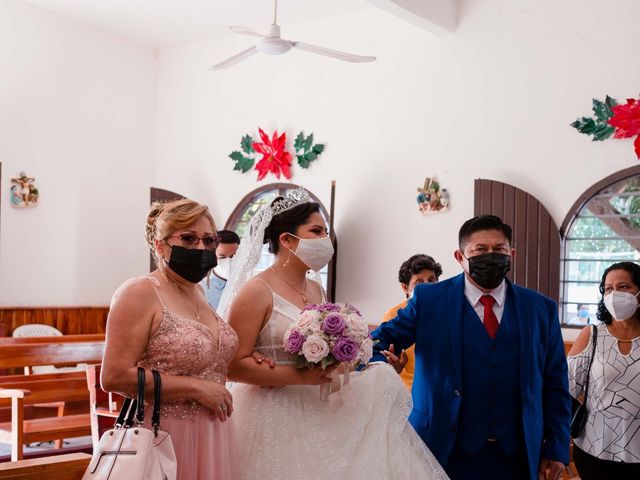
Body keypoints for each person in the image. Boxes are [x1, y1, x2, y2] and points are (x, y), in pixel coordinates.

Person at [220, 188, 449, 480]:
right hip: (272, 413)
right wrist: (298, 377)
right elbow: (232, 364)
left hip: (319, 406)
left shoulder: (315, 289)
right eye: (316, 231)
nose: (325, 240)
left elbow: (325, 358)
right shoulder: (256, 290)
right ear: (287, 240)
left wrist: (361, 362)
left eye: (326, 231)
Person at [372, 215, 571, 480]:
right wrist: (384, 363)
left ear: (511, 254)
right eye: (480, 250)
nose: (491, 256)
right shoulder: (429, 300)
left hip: (517, 453)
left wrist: (557, 448)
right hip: (443, 447)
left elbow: (555, 382)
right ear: (460, 256)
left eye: (499, 250)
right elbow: (377, 341)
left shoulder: (540, 309)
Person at [101, 199, 239, 480]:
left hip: (212, 430)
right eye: (188, 239)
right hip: (164, 431)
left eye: (209, 241)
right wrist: (197, 389)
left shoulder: (199, 293)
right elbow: (113, 377)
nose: (201, 249)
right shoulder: (139, 292)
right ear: (159, 244)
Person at [567, 261, 640, 478]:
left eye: (624, 286)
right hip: (594, 449)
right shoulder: (592, 335)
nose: (614, 294)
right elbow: (564, 388)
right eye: (608, 289)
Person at [382, 254, 442, 390]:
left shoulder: (448, 311)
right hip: (408, 391)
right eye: (419, 282)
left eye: (432, 280)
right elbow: (386, 361)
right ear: (405, 287)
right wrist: (393, 365)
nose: (427, 287)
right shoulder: (394, 315)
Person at [200, 229, 240, 309]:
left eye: (233, 256)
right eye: (222, 257)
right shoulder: (201, 289)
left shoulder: (247, 284)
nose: (229, 261)